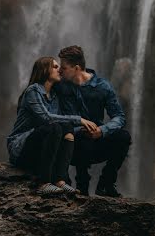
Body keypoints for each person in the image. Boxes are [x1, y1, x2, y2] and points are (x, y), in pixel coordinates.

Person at [6, 56, 98, 196]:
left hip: (40, 148)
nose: (59, 69)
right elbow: (46, 118)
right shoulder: (33, 91)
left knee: (66, 127)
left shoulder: (54, 96)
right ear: (44, 70)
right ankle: (44, 183)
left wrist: (87, 129)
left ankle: (60, 181)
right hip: (21, 149)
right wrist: (79, 119)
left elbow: (63, 122)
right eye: (55, 67)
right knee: (54, 126)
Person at [56, 45, 131, 197]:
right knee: (81, 135)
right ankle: (79, 187)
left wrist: (102, 131)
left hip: (95, 144)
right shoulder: (60, 86)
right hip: (69, 146)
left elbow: (119, 117)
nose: (59, 71)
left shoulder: (103, 87)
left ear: (76, 68)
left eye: (63, 68)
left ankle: (106, 183)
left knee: (123, 137)